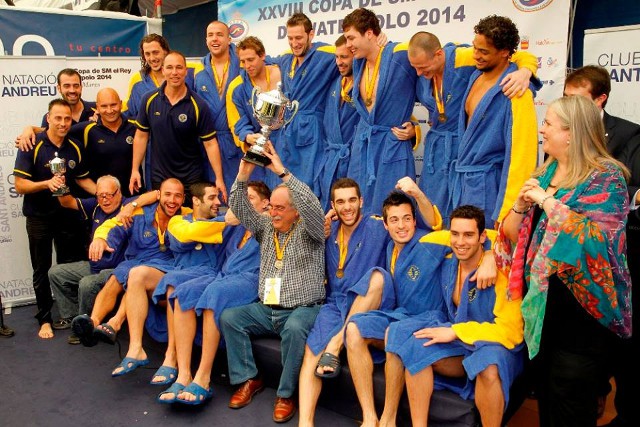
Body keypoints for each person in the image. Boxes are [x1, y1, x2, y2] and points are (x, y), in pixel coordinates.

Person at [495, 95, 631, 427]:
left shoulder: (607, 178)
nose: (542, 129)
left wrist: (546, 201)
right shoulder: (546, 173)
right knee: (546, 401)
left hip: (583, 318)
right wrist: (521, 205)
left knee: (571, 406)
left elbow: (597, 242)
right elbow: (511, 236)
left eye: (548, 124)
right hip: (542, 314)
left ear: (571, 133)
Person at [386, 205, 525, 427]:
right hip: (461, 344)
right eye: (455, 234)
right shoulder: (449, 258)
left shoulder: (502, 272)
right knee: (416, 345)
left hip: (496, 345)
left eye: (469, 235)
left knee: (488, 364)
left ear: (482, 237)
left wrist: (491, 254)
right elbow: (433, 235)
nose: (460, 241)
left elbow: (512, 332)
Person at [220, 142, 325, 423]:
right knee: (231, 318)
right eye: (271, 207)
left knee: (294, 329)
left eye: (280, 208)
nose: (274, 212)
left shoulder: (311, 229)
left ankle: (286, 394)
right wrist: (243, 175)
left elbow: (312, 205)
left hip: (303, 308)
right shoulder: (266, 226)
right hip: (267, 308)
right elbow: (240, 209)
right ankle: (249, 379)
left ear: (295, 211)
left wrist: (281, 172)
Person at [564, 65, 640, 427]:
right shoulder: (562, 143)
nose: (569, 108)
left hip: (617, 258)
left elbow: (631, 194)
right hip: (572, 265)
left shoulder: (629, 135)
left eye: (575, 101)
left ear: (600, 99)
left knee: (620, 348)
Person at [157, 181, 270, 405]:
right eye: (241, 200)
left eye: (250, 199)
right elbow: (206, 224)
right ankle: (184, 373)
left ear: (265, 203)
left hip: (251, 279)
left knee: (214, 294)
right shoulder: (235, 224)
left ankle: (203, 377)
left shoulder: (271, 223)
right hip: (224, 275)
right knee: (184, 292)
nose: (243, 204)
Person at [408, 31, 539, 223]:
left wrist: (525, 71)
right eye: (415, 68)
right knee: (432, 211)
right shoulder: (419, 65)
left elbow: (515, 56)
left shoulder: (467, 58)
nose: (419, 73)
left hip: (464, 150)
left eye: (423, 68)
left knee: (463, 219)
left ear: (438, 54)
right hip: (436, 153)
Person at [343, 190, 446, 427]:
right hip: (400, 316)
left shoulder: (428, 241)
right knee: (354, 328)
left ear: (414, 219)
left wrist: (490, 257)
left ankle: (389, 419)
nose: (402, 226)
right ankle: (369, 416)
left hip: (428, 319)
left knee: (395, 333)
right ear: (386, 224)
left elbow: (473, 238)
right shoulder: (391, 247)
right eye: (395, 220)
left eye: (407, 218)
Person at [298, 178, 393, 427]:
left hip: (370, 303)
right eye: (340, 202)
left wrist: (490, 254)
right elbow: (293, 233)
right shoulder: (328, 230)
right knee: (311, 353)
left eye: (352, 200)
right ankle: (305, 423)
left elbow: (421, 224)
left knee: (377, 277)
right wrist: (320, 228)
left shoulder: (377, 227)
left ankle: (336, 344)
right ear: (333, 205)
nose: (347, 207)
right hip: (336, 303)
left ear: (361, 201)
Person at [115, 182, 228, 378]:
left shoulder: (222, 219)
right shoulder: (178, 222)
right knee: (136, 274)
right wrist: (226, 222)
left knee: (173, 283)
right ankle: (136, 348)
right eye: (211, 198)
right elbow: (188, 234)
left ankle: (171, 356)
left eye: (217, 198)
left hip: (206, 276)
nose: (218, 202)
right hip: (182, 270)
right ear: (195, 201)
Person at [13, 98, 97, 339]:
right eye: (57, 118)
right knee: (41, 268)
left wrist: (102, 192)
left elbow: (82, 178)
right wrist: (46, 184)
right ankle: (44, 319)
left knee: (68, 265)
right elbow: (19, 185)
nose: (62, 123)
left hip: (67, 214)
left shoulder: (74, 146)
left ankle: (70, 314)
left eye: (67, 119)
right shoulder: (32, 144)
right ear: (47, 119)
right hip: (39, 217)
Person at [71, 178, 186, 347]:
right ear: (158, 195)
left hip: (164, 266)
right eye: (168, 194)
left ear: (183, 199)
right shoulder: (139, 212)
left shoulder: (187, 216)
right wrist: (100, 239)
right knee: (116, 278)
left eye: (177, 196)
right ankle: (93, 323)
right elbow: (111, 225)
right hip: (136, 261)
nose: (172, 200)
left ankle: (114, 323)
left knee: (136, 278)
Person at [451, 15, 538, 227]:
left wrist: (508, 211)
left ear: (505, 52)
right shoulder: (475, 76)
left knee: (488, 253)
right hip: (464, 183)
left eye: (483, 52)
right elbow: (437, 49)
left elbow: (522, 156)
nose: (475, 56)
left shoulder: (517, 91)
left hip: (490, 189)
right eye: (475, 48)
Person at [48, 176, 156, 343]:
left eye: (109, 195)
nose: (105, 200)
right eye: (101, 195)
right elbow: (66, 202)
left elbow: (157, 194)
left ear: (119, 193)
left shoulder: (129, 204)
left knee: (87, 283)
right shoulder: (95, 205)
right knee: (56, 273)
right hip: (94, 265)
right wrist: (60, 186)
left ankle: (87, 327)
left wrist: (131, 207)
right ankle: (72, 317)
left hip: (117, 269)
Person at [343, 8, 419, 214]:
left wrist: (415, 129)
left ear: (369, 34)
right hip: (363, 145)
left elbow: (439, 56)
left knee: (396, 211)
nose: (348, 45)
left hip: (391, 144)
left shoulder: (400, 56)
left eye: (351, 38)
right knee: (358, 208)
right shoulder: (358, 63)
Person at [129, 51, 226, 204]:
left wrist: (219, 178)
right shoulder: (148, 100)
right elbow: (141, 136)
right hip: (160, 177)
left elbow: (210, 143)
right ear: (163, 71)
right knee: (163, 222)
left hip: (191, 178)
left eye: (179, 68)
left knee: (190, 223)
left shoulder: (198, 104)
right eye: (169, 68)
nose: (174, 72)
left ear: (186, 71)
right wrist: (135, 170)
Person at [268, 12, 339, 191]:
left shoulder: (325, 54)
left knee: (309, 185)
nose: (294, 43)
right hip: (288, 131)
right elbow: (262, 60)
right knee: (284, 185)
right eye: (290, 38)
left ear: (311, 34)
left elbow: (351, 51)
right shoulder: (286, 59)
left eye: (299, 37)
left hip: (312, 131)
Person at [226, 35, 283, 188]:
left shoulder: (281, 72)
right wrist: (248, 136)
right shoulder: (236, 87)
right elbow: (238, 122)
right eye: (243, 62)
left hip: (289, 142)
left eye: (251, 60)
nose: (247, 65)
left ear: (262, 55)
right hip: (263, 147)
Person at [194, 21, 243, 190]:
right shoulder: (198, 71)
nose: (214, 39)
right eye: (210, 35)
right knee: (214, 197)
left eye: (219, 35)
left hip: (237, 142)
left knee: (242, 195)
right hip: (209, 144)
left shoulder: (242, 63)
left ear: (229, 39)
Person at [316, 36, 360, 211]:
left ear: (355, 56)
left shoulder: (365, 83)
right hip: (332, 159)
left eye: (344, 57)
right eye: (337, 57)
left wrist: (413, 128)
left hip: (353, 160)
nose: (339, 62)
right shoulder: (335, 84)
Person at [122, 33, 199, 119]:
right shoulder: (137, 80)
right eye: (147, 54)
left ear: (165, 51)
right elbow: (130, 113)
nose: (152, 58)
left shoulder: (191, 72)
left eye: (155, 52)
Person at [15, 68, 97, 147]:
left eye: (76, 86)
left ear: (81, 87)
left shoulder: (97, 109)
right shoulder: (50, 117)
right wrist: (29, 129)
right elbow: (47, 137)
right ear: (59, 88)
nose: (72, 90)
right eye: (67, 86)